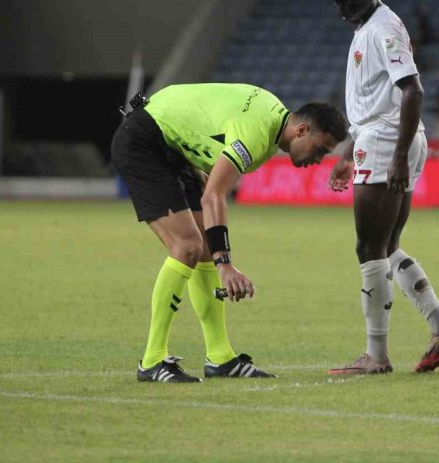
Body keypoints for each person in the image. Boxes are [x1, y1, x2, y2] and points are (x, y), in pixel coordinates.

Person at [110, 83, 347, 383]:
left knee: (203, 250)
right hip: (144, 142)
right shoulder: (256, 134)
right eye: (320, 150)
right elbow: (214, 197)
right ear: (301, 131)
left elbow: (210, 120)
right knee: (187, 246)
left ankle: (220, 357)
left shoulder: (272, 117)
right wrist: (225, 265)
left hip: (171, 145)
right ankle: (152, 360)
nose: (319, 160)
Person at [324, 0, 439, 376]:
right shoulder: (370, 25)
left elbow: (413, 90)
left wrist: (397, 156)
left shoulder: (384, 29)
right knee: (387, 246)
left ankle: (376, 356)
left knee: (369, 248)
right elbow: (374, 98)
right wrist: (349, 150)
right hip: (382, 138)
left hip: (388, 142)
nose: (342, 6)